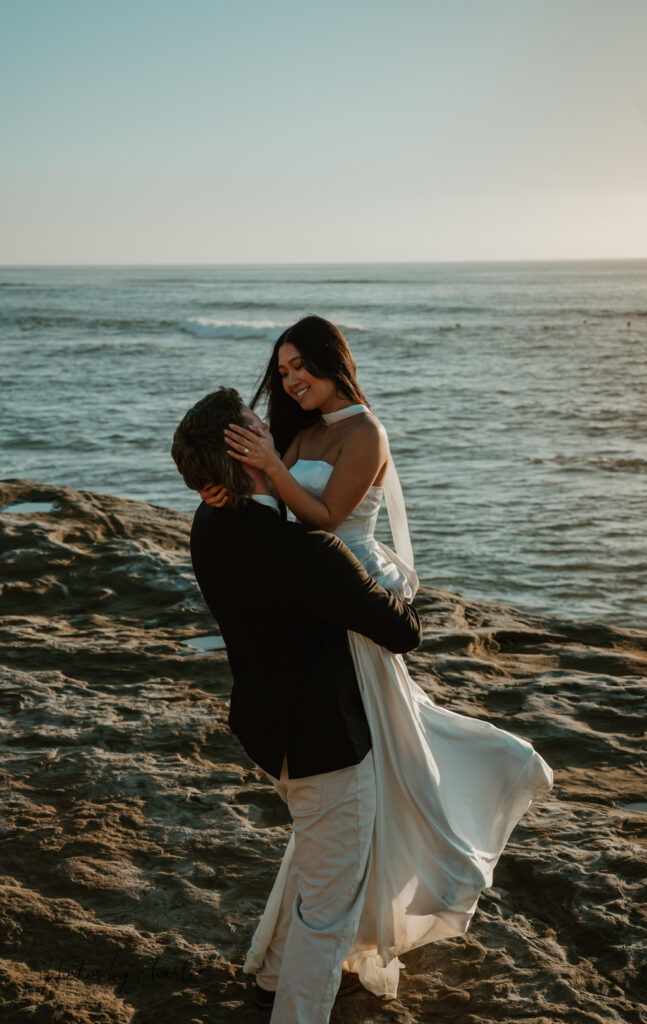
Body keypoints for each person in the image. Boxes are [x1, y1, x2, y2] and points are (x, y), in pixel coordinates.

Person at [201, 315, 554, 998]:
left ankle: (462, 818)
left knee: (378, 759)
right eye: (282, 369)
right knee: (342, 791)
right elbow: (275, 508)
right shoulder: (296, 429)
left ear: (335, 360)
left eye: (301, 364)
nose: (291, 378)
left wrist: (272, 467)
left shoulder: (363, 432)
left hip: (349, 598)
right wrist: (240, 479)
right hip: (313, 597)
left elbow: (326, 519)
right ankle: (299, 948)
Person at [171, 385, 423, 1023]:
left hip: (268, 732)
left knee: (315, 859)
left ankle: (270, 979)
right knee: (332, 906)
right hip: (328, 747)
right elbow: (404, 630)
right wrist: (384, 576)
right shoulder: (310, 552)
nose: (268, 430)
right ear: (245, 454)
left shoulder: (208, 525)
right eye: (255, 428)